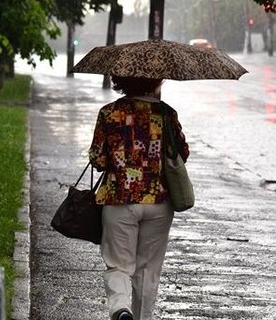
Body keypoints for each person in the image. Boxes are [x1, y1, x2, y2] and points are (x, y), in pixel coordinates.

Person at [88, 76, 190, 320]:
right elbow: (182, 154)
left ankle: (121, 309)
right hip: (159, 202)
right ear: (155, 81)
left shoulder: (109, 113)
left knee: (119, 266)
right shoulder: (166, 114)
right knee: (147, 272)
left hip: (119, 200)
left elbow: (98, 160)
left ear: (121, 81)